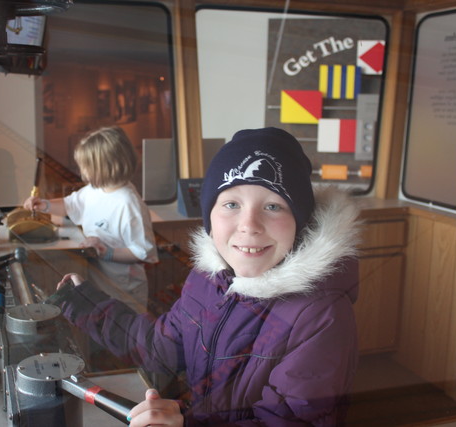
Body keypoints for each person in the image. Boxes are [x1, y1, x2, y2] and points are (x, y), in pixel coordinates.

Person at [49, 127, 362, 425]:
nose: (249, 224)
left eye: (273, 206)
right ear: (210, 217)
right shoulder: (208, 281)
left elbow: (289, 421)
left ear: (300, 220)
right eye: (231, 204)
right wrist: (87, 303)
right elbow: (158, 346)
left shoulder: (321, 315)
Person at [23, 126, 158, 313]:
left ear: (104, 167)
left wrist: (105, 252)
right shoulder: (95, 191)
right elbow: (70, 205)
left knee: (123, 337)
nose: (81, 171)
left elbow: (142, 251)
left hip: (125, 292)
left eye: (85, 166)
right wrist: (43, 205)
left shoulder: (128, 204)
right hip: (100, 283)